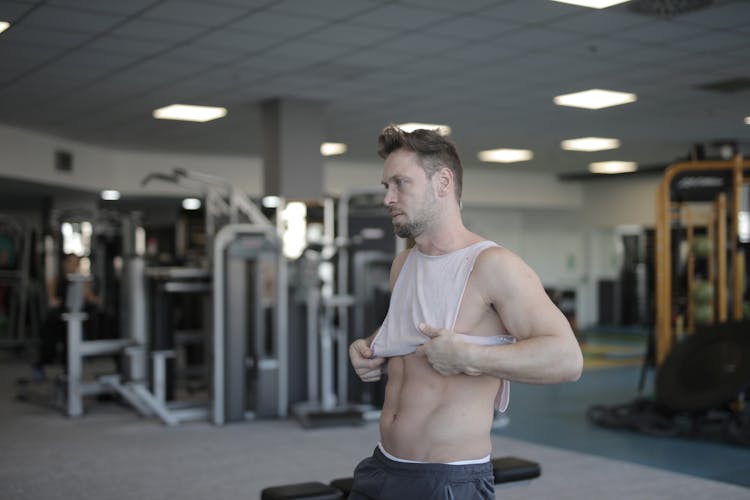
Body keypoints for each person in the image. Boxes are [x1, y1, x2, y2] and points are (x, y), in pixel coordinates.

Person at [347, 125, 584, 499]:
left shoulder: (493, 265)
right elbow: (411, 330)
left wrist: (469, 357)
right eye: (385, 186)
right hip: (383, 465)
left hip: (447, 480)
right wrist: (369, 347)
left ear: (443, 182)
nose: (388, 197)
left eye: (400, 184)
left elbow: (567, 359)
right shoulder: (403, 263)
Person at [32, 253, 100, 380]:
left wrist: (95, 299)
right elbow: (52, 299)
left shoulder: (81, 281)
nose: (73, 265)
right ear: (65, 263)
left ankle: (68, 373)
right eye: (70, 261)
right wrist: (54, 301)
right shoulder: (57, 279)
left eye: (76, 262)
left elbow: (91, 298)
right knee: (48, 345)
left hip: (73, 319)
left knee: (70, 346)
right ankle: (39, 365)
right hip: (57, 318)